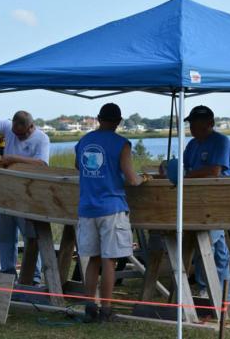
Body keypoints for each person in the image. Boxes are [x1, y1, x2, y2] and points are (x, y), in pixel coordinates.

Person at [75, 103, 151, 322]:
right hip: (111, 208)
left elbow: (79, 167)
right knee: (109, 261)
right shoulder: (122, 144)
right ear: (118, 121)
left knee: (93, 260)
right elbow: (132, 179)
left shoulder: (83, 141)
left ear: (99, 119)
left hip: (87, 208)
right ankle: (106, 310)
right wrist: (145, 178)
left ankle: (90, 307)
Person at [0, 111, 49, 283]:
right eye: (15, 133)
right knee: (5, 237)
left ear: (31, 126)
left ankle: (34, 277)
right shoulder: (8, 127)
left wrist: (13, 159)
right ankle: (8, 274)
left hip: (28, 195)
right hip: (5, 193)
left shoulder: (42, 139)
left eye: (21, 133)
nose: (17, 136)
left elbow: (41, 163)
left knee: (31, 237)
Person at [182, 105, 230, 302]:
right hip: (198, 201)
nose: (192, 128)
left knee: (210, 246)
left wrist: (186, 175)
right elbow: (184, 166)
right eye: (190, 124)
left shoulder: (221, 142)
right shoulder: (192, 145)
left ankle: (215, 292)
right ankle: (217, 293)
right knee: (212, 247)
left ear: (209, 123)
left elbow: (215, 171)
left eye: (195, 124)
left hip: (218, 200)